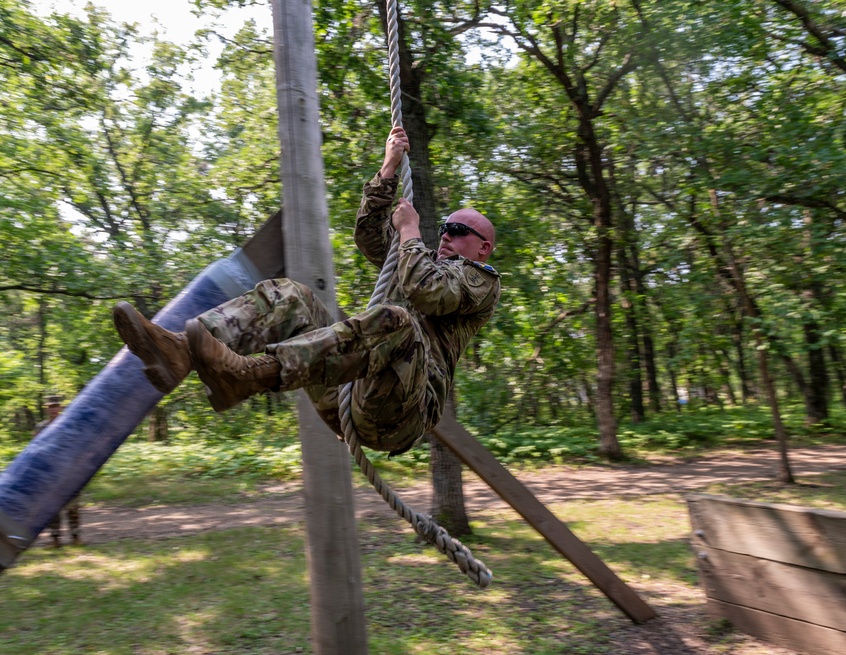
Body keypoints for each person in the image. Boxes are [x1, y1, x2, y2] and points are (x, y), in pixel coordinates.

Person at [113, 127, 500, 455]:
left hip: (399, 414)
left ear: (482, 247)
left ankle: (249, 375)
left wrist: (411, 231)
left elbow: (428, 291)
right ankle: (179, 353)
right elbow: (367, 236)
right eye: (446, 227)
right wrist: (388, 169)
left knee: (396, 321)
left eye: (459, 231)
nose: (447, 234)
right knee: (294, 297)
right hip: (347, 393)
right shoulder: (416, 257)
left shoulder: (481, 281)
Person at [33, 394, 83, 547]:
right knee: (52, 506)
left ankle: (75, 536)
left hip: (69, 469)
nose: (53, 409)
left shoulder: (70, 424)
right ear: (47, 409)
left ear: (60, 408)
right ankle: (55, 538)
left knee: (72, 505)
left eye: (56, 406)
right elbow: (35, 449)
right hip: (49, 471)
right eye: (50, 406)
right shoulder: (41, 427)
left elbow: (78, 446)